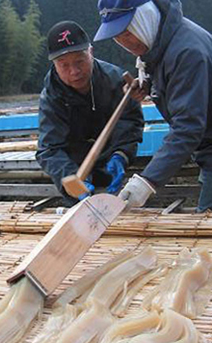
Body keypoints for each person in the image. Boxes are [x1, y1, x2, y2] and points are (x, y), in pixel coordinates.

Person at [93, 0, 212, 212]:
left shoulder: (187, 51)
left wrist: (147, 180)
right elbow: (170, 77)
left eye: (126, 33)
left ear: (143, 20)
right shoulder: (161, 39)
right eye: (117, 37)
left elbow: (188, 127)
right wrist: (148, 83)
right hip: (211, 134)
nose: (124, 43)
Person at [36, 20, 144, 205]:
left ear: (91, 52)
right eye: (64, 65)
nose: (74, 71)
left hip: (110, 159)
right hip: (75, 169)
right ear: (54, 65)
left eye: (80, 61)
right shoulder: (52, 97)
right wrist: (70, 177)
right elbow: (49, 149)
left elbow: (130, 121)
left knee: (118, 214)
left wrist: (121, 154)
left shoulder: (115, 80)